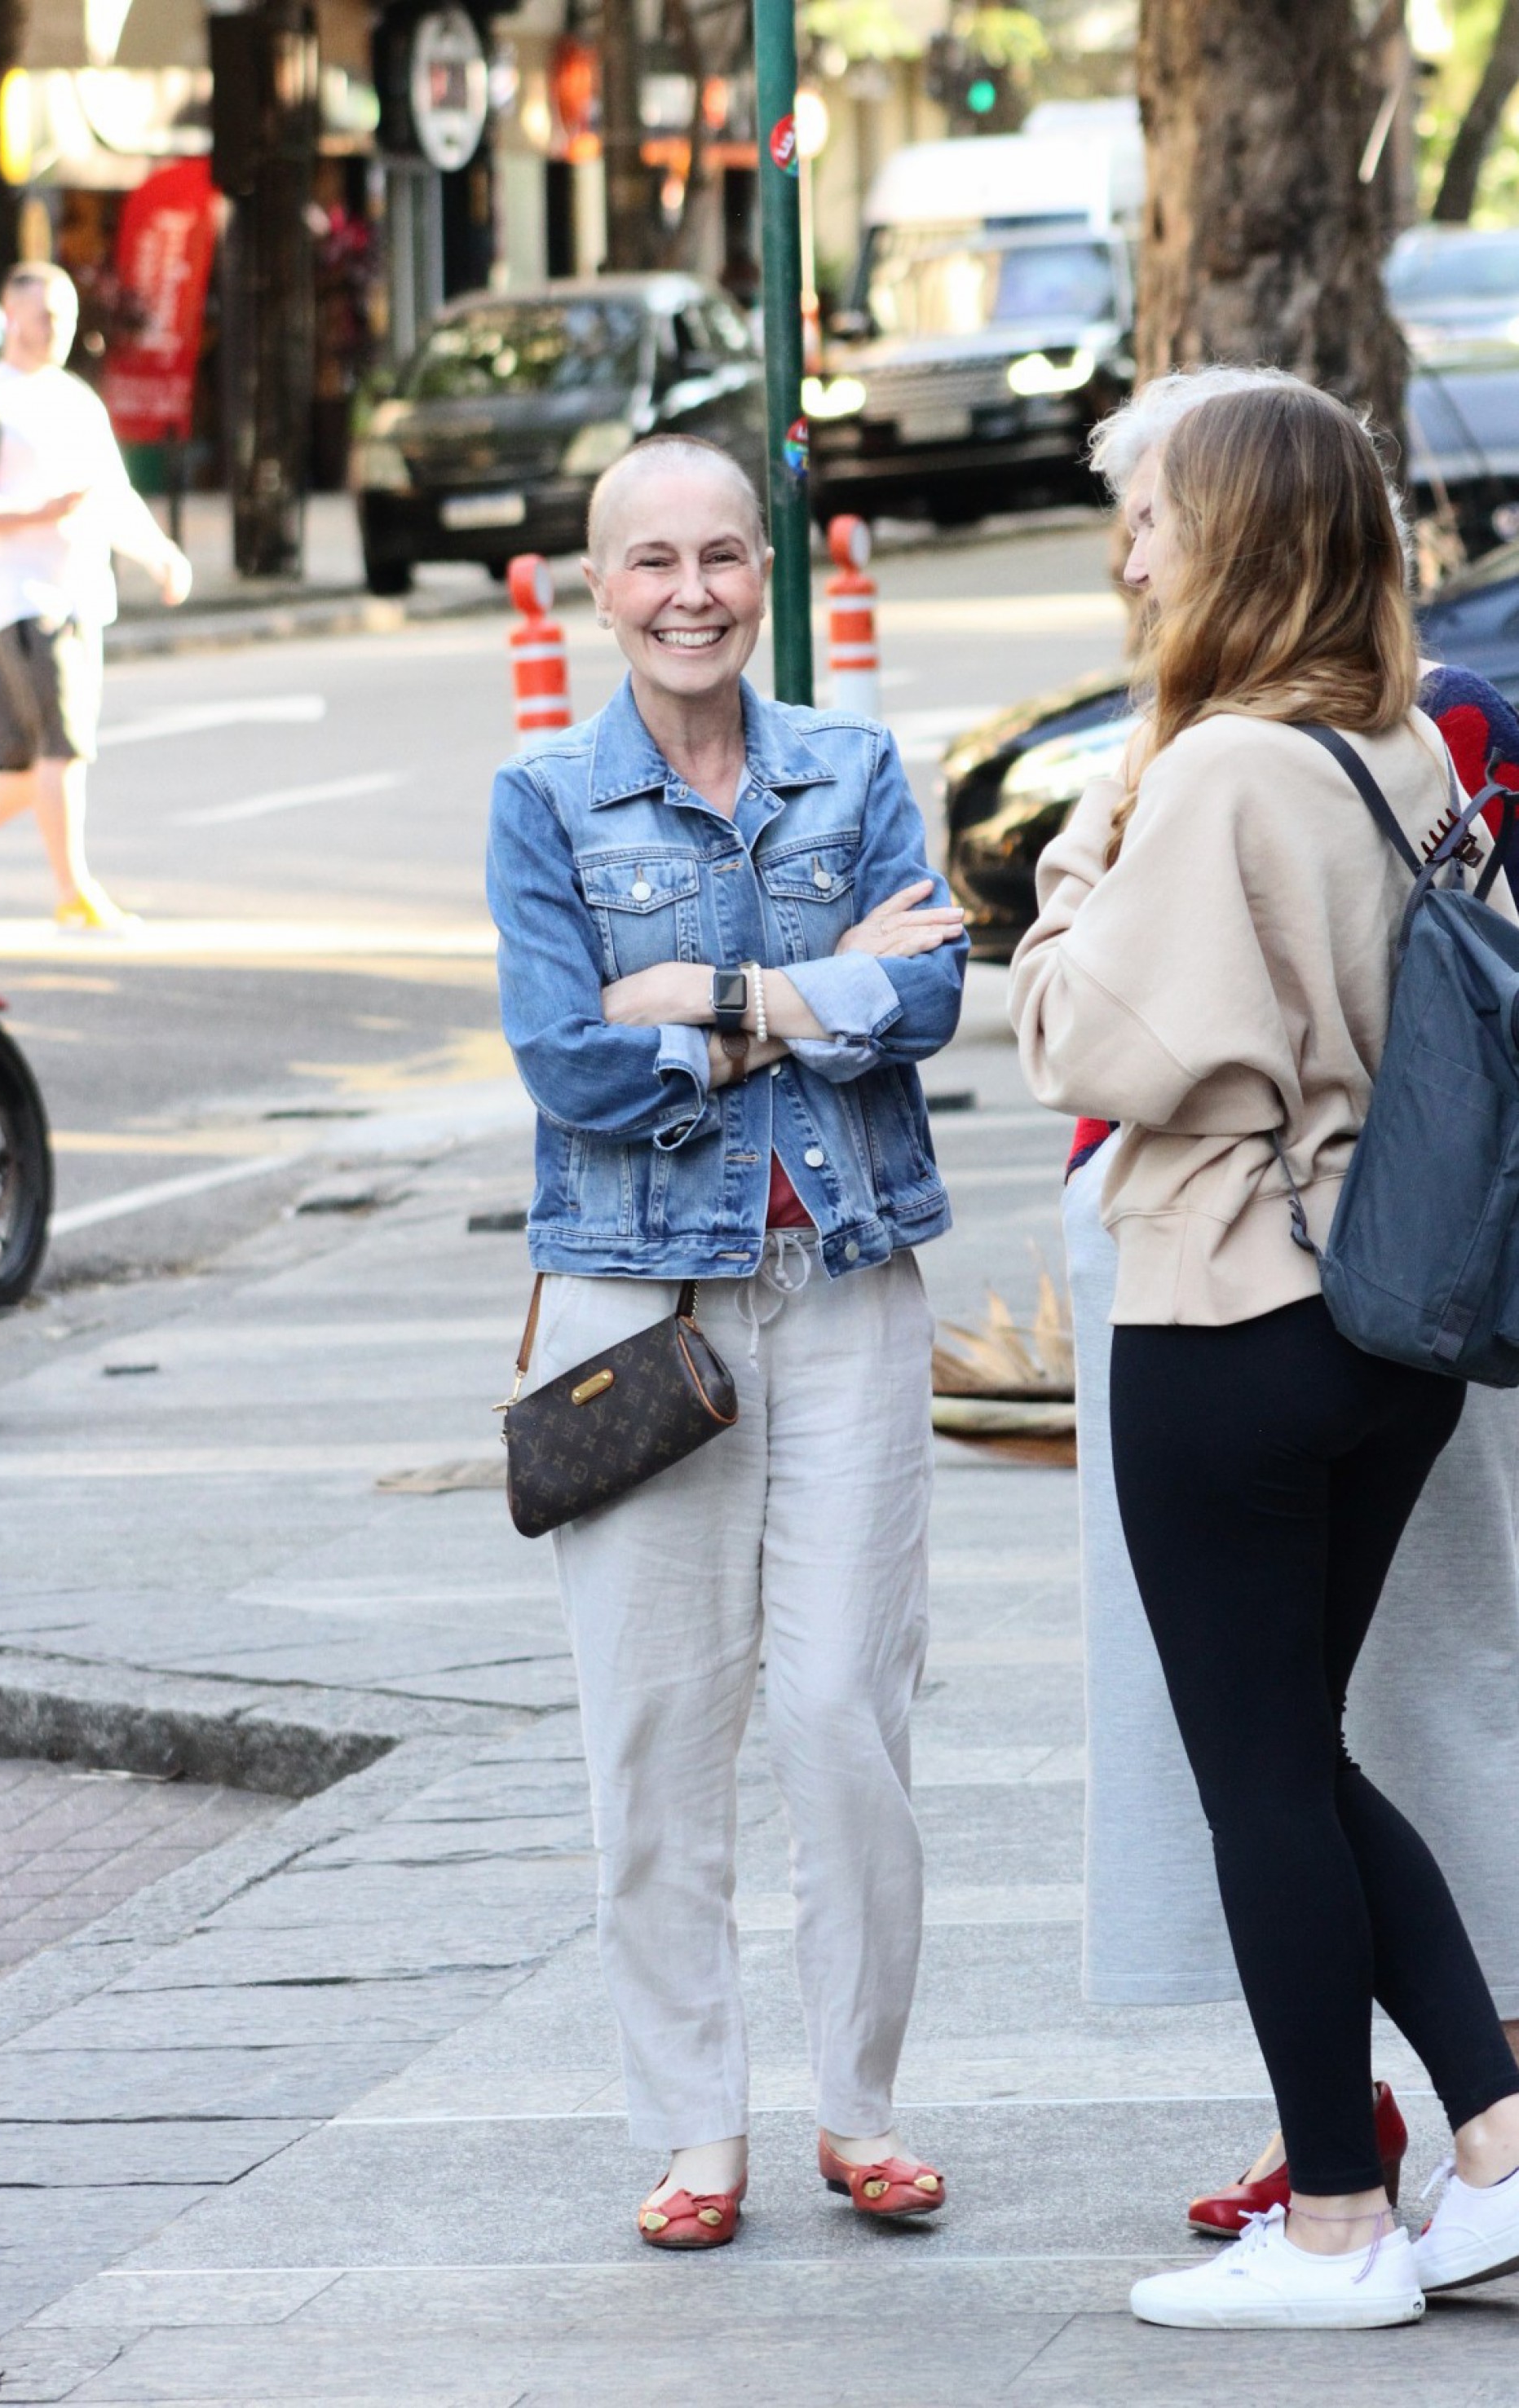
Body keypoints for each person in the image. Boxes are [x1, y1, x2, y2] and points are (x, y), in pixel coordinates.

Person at [1012, 381, 1519, 2330]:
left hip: (1230, 1310)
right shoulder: (1400, 748)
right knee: (1297, 1751)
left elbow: (1086, 1039)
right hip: (1394, 1325)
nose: (1131, 550)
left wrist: (1083, 851)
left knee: (1259, 1779)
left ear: (1230, 540)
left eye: (1156, 516)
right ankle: (1494, 2136)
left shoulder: (1216, 769)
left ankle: (1332, 2223)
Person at [485, 434, 968, 2249]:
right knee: (656, 1730)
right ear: (597, 585)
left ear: (766, 571)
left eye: (721, 557)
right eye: (651, 560)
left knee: (845, 1710)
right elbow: (567, 1058)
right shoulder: (544, 798)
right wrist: (814, 1004)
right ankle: (696, 2128)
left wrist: (713, 994)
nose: (689, 593)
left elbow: (932, 988)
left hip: (843, 1283)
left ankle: (862, 2106)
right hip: (634, 1305)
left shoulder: (853, 767)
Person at [0, 262, 192, 931]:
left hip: (81, 593)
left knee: (23, 771)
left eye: (66, 316)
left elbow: (112, 495)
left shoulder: (77, 400)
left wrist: (160, 554)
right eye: (46, 317)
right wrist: (40, 512)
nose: (59, 329)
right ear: (11, 318)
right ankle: (72, 892)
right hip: (24, 600)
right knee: (65, 752)